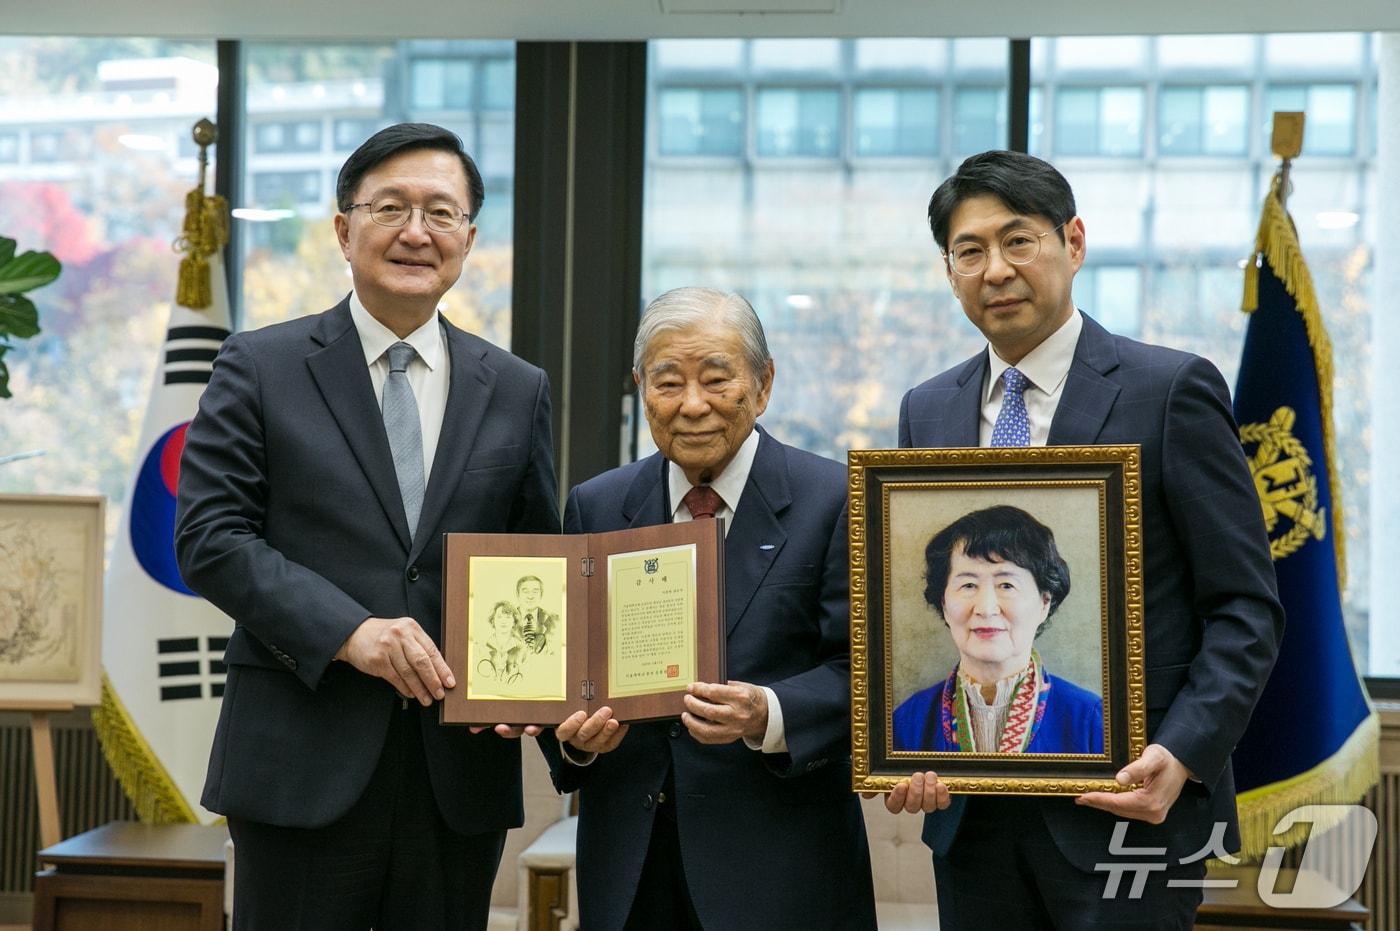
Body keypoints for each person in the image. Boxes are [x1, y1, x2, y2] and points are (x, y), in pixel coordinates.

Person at [175, 122, 560, 930]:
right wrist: (352, 632)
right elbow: (210, 538)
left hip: (457, 775)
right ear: (345, 228)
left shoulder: (518, 388)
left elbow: (538, 561)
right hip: (300, 759)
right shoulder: (259, 364)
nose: (416, 231)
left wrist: (558, 697)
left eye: (440, 213)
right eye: (392, 207)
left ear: (469, 239)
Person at [889, 150, 1283, 929]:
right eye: (969, 251)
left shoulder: (1169, 390)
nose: (994, 269)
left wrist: (1184, 753)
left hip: (1132, 810)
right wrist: (909, 753)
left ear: (1073, 242)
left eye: (1018, 241)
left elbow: (1246, 607)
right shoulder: (926, 409)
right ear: (949, 270)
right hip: (972, 826)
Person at [540, 287, 876, 930]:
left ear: (764, 382)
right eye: (668, 383)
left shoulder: (836, 498)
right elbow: (567, 674)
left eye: (717, 379)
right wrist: (576, 746)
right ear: (641, 388)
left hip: (782, 867)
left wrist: (767, 714)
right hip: (632, 869)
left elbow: (865, 675)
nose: (693, 405)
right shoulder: (598, 506)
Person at [892, 505, 1103, 754]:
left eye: (1006, 585)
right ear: (944, 604)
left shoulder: (1090, 720)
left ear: (1044, 602)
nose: (986, 608)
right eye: (968, 585)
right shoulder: (908, 722)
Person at [478, 600, 526, 682]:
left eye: (508, 617)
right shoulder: (482, 646)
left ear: (514, 622)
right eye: (499, 617)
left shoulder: (522, 648)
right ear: (493, 620)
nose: (503, 621)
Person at [514, 573, 558, 654]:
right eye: (525, 591)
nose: (530, 596)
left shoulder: (554, 620)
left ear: (541, 594)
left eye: (535, 591)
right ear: (517, 594)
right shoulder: (507, 619)